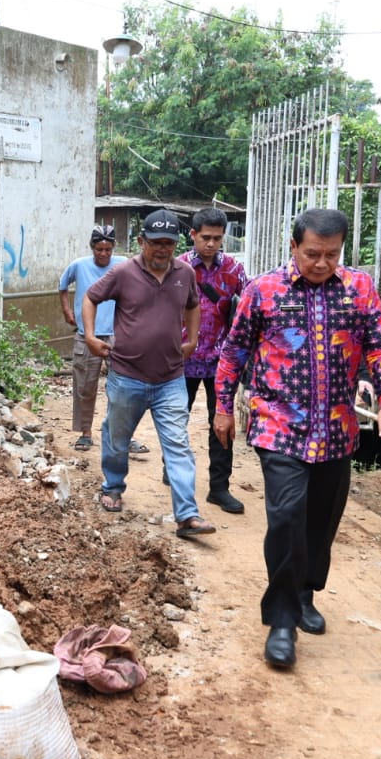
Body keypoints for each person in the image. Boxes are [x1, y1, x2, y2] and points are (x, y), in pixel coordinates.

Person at [213, 208, 381, 670]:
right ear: (294, 246)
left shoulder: (360, 290)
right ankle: (280, 620)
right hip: (279, 425)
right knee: (285, 517)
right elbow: (234, 350)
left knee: (320, 521)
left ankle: (304, 593)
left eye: (332, 255)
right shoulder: (263, 291)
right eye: (313, 253)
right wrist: (222, 407)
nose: (321, 263)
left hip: (337, 429)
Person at [83, 209, 214, 538]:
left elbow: (193, 305)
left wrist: (194, 339)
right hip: (127, 375)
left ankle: (187, 515)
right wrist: (89, 336)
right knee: (117, 438)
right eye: (156, 243)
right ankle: (112, 487)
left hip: (170, 378)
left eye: (169, 243)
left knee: (178, 444)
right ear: (142, 241)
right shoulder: (124, 272)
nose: (162, 249)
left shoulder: (185, 273)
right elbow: (90, 297)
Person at [170, 207, 249, 513]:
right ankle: (173, 470)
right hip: (182, 358)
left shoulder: (234, 270)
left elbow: (250, 305)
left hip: (222, 361)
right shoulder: (177, 269)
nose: (212, 244)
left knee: (222, 424)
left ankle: (219, 487)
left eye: (217, 238)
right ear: (193, 235)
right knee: (176, 419)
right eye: (206, 237)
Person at [58, 226, 149, 456]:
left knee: (124, 388)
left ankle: (123, 434)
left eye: (108, 249)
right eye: (99, 249)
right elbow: (62, 285)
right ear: (92, 248)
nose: (104, 254)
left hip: (119, 334)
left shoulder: (123, 264)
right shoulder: (79, 265)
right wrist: (67, 311)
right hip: (86, 334)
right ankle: (86, 433)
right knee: (85, 387)